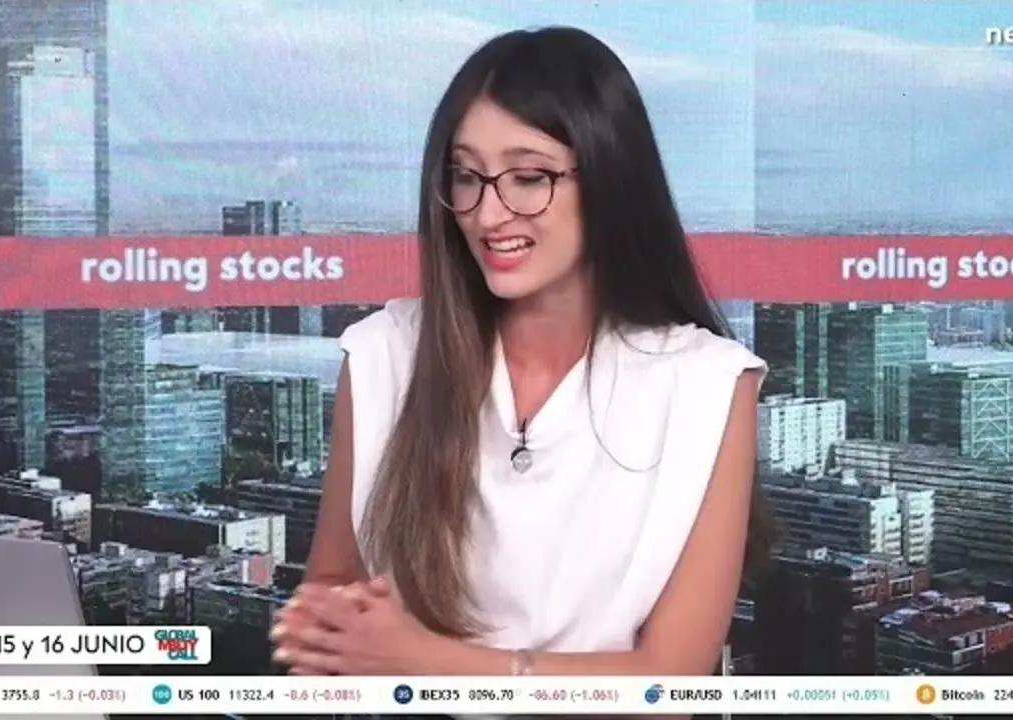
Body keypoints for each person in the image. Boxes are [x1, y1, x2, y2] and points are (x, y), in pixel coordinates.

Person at [271, 26, 772, 685]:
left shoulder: (710, 384)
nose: (487, 215)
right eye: (465, 176)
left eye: (529, 178)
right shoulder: (382, 355)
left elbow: (667, 685)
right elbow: (327, 620)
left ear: (610, 180)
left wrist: (424, 660)